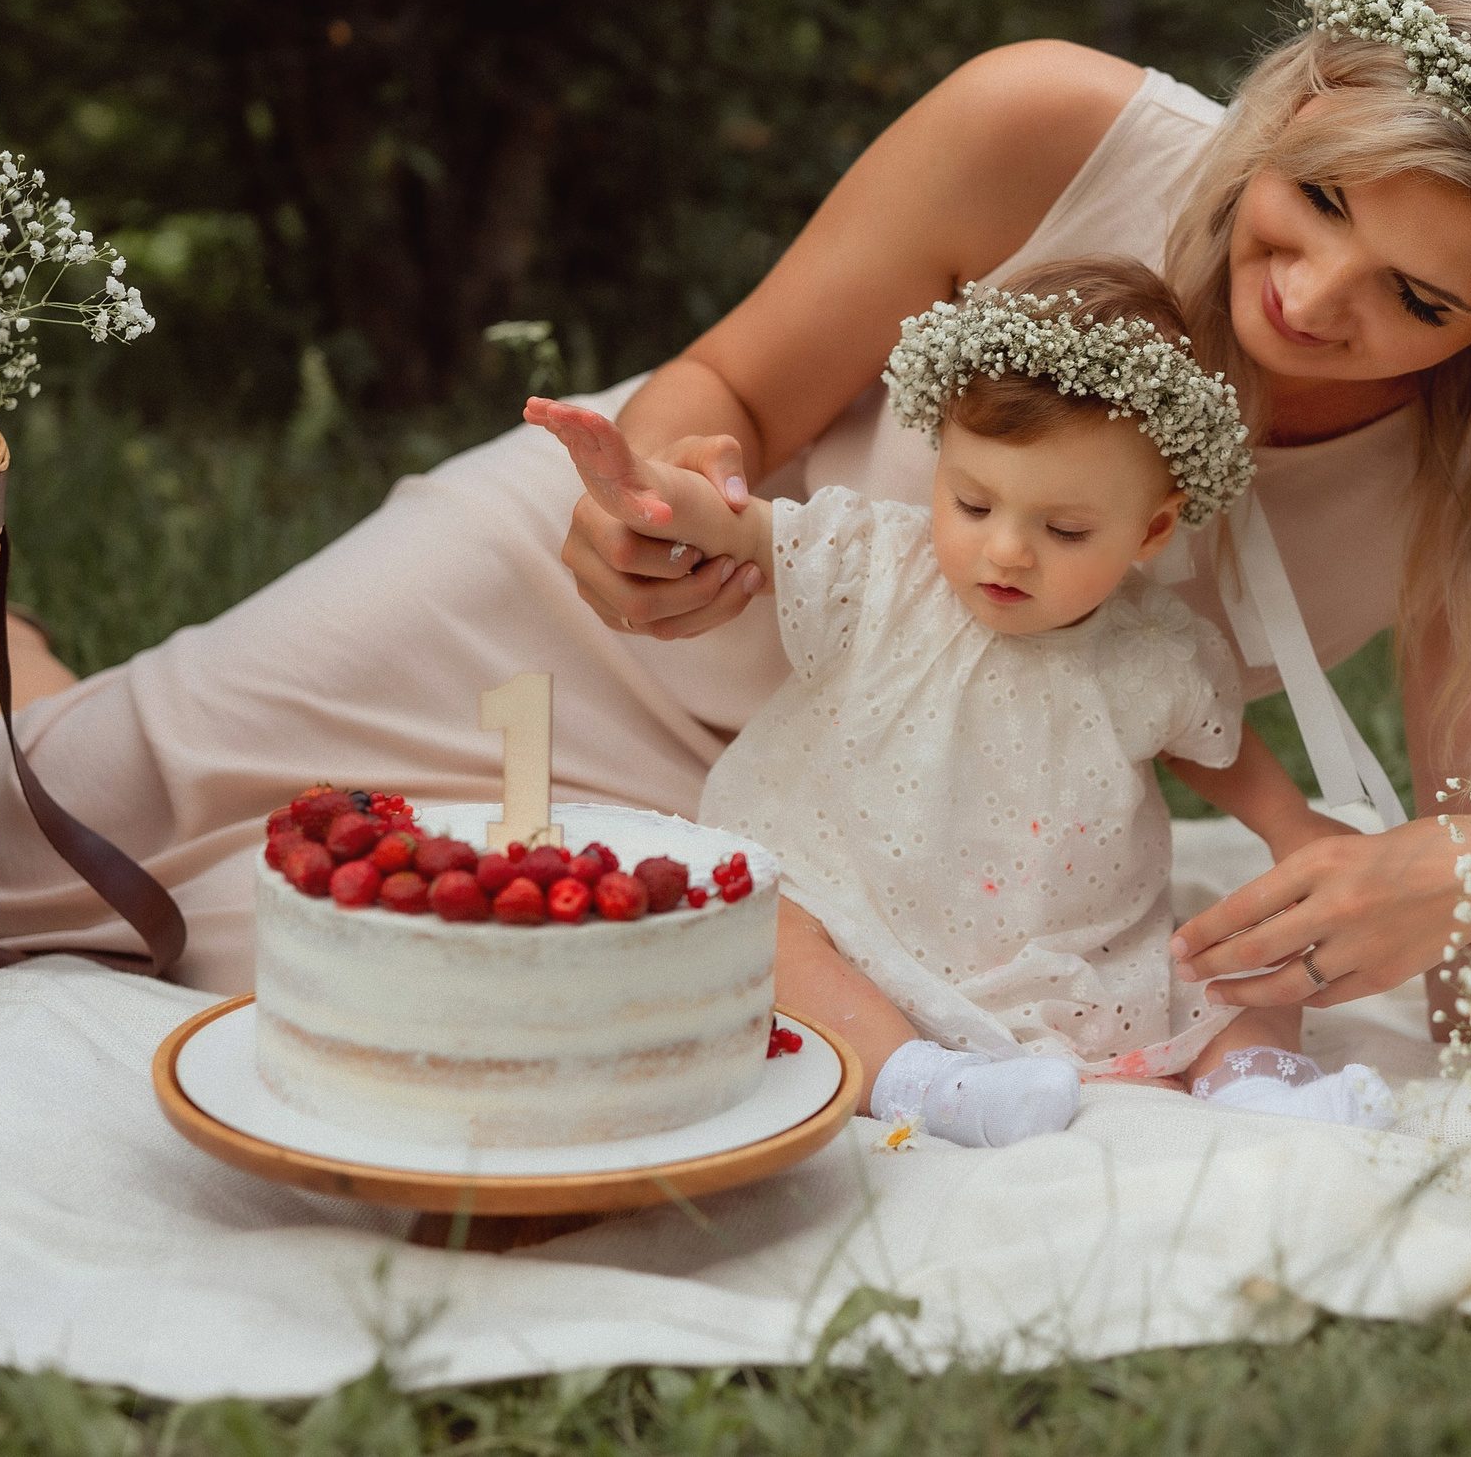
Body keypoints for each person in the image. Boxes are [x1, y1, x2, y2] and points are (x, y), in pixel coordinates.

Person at [0, 0, 1471, 1018]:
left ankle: (63, 697)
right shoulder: (1048, 128)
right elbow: (731, 388)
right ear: (1300, 95)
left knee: (395, 973)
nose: (1313, 300)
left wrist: (1464, 872)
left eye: (1416, 299)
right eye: (1315, 201)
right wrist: (656, 502)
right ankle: (7, 666)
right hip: (591, 625)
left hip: (852, 856)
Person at [531, 260, 1396, 1144]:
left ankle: (1262, 1086)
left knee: (1231, 962)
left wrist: (1289, 823)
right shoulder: (879, 565)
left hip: (1072, 940)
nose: (1008, 550)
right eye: (974, 503)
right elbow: (739, 525)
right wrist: (654, 490)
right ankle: (923, 1080)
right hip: (855, 899)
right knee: (762, 932)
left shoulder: (1149, 645)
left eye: (1065, 529)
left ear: (1153, 528)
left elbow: (1206, 741)